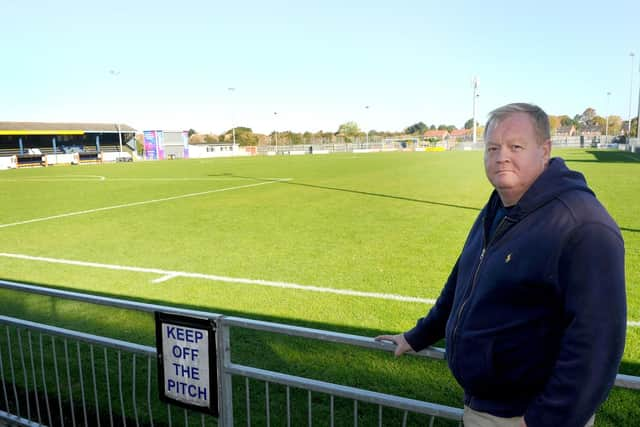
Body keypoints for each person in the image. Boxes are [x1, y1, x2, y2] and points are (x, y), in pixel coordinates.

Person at [376, 103, 626, 427]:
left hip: (525, 417)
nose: (501, 156)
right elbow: (464, 281)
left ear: (545, 151)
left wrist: (543, 420)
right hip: (485, 408)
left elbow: (597, 344)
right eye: (492, 147)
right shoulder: (501, 205)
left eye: (515, 147)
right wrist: (418, 335)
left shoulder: (582, 225)